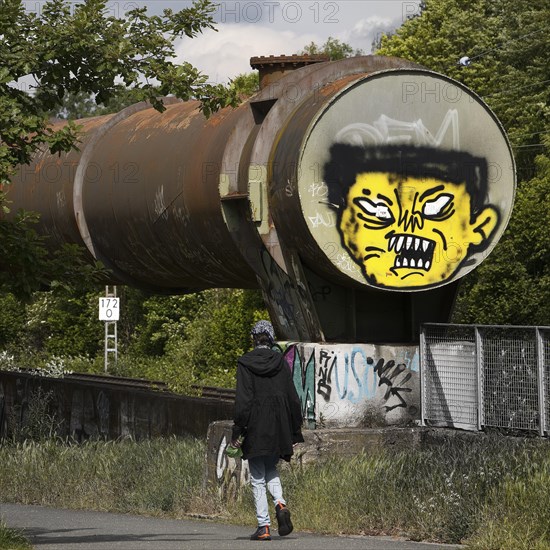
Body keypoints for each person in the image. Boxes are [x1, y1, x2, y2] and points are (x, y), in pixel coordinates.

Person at [231, 320, 304, 541]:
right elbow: (292, 397)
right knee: (271, 467)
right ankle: (280, 503)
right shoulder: (281, 362)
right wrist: (294, 430)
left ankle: (263, 526)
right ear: (271, 339)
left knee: (257, 476)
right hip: (278, 425)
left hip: (255, 425)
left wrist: (238, 429)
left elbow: (243, 400)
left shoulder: (245, 363)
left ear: (254, 339)